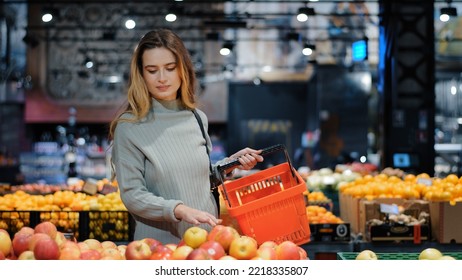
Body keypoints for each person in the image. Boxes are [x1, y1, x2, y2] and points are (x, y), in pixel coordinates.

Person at [108, 29, 264, 244]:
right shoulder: (130, 127)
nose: (162, 78)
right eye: (152, 70)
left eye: (170, 68)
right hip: (160, 249)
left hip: (206, 245)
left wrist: (229, 164)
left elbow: (198, 180)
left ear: (183, 69)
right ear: (141, 75)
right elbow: (132, 195)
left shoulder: (197, 118)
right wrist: (178, 210)